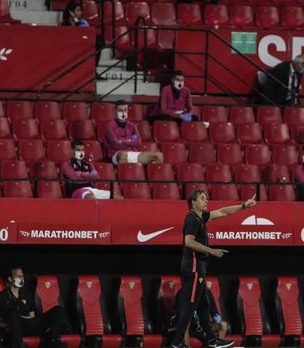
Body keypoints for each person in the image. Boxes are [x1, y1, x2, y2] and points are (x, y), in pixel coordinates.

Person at [170, 189, 257, 348]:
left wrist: (244, 206)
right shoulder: (191, 218)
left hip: (200, 268)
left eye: (206, 198)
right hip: (193, 269)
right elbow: (189, 241)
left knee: (204, 306)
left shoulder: (200, 217)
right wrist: (211, 251)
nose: (206, 201)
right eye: (202, 198)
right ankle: (176, 344)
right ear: (193, 202)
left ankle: (211, 340)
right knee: (189, 308)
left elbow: (223, 212)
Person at [0, 266, 71, 348]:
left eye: (22, 275)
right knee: (12, 312)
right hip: (15, 328)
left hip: (29, 325)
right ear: (10, 279)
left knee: (58, 310)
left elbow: (32, 316)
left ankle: (54, 342)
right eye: (18, 276)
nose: (21, 278)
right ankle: (19, 344)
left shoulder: (27, 296)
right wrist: (5, 325)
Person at [106, 99, 164, 165]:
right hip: (117, 154)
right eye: (120, 110)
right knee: (123, 156)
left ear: (127, 110)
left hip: (132, 153)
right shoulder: (110, 126)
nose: (123, 113)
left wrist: (123, 142)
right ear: (115, 111)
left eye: (125, 110)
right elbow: (115, 144)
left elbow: (138, 143)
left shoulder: (132, 126)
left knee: (159, 156)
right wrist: (130, 142)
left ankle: (144, 172)